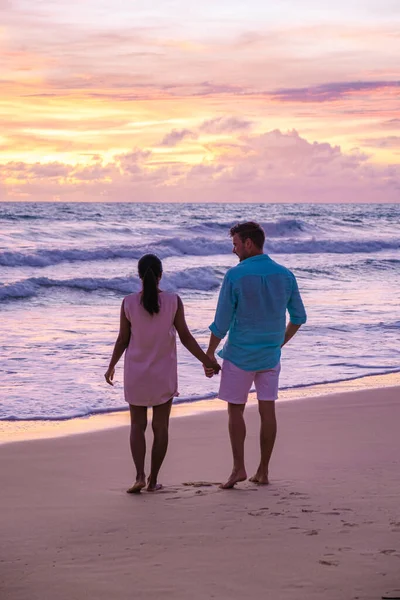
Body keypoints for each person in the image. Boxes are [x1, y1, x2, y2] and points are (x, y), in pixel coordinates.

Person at [105, 253, 220, 493]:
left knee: (137, 426)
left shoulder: (127, 303)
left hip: (136, 373)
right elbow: (186, 337)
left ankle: (139, 475)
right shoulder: (173, 301)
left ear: (139, 276)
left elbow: (123, 339)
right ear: (160, 276)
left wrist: (112, 365)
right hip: (163, 373)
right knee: (161, 427)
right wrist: (207, 360)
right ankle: (152, 480)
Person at [204, 222, 307, 489]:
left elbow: (221, 322)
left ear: (249, 243)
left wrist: (209, 354)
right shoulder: (285, 275)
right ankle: (263, 470)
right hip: (270, 356)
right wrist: (278, 343)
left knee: (235, 411)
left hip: (239, 355)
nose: (233, 249)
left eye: (236, 244)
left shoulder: (235, 276)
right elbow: (298, 318)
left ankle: (239, 468)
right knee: (267, 410)